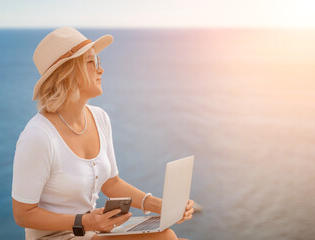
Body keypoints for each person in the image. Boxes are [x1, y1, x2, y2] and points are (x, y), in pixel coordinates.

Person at [11, 27, 201, 240]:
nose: (101, 70)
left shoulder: (99, 118)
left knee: (170, 235)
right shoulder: (38, 136)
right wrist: (82, 221)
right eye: (92, 63)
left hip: (89, 231)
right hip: (55, 237)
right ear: (69, 72)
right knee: (164, 238)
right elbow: (22, 214)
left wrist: (161, 206)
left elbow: (111, 183)